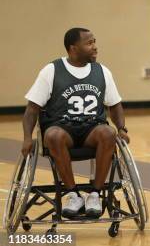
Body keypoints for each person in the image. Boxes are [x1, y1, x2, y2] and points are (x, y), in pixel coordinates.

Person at [21, 28, 129, 218]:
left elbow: (115, 105)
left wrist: (121, 128)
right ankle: (73, 194)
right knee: (52, 135)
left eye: (95, 41)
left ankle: (95, 194)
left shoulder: (102, 71)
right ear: (73, 48)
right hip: (63, 131)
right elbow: (32, 109)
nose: (95, 47)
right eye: (89, 43)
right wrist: (27, 138)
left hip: (91, 131)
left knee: (108, 133)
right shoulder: (52, 70)